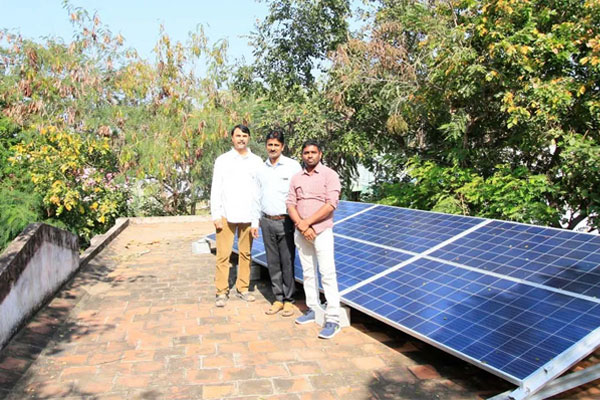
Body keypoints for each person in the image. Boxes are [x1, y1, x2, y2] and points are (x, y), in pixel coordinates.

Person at [286, 140, 342, 339]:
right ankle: (312, 309)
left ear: (320, 154)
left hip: (322, 231)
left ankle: (333, 318)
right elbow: (290, 204)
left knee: (327, 273)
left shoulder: (330, 175)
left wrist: (308, 223)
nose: (309, 155)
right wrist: (301, 225)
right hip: (301, 232)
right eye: (306, 153)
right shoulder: (296, 178)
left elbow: (331, 204)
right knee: (308, 273)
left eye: (313, 152)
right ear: (302, 155)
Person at [210, 124, 263, 307]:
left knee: (245, 254)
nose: (241, 138)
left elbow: (258, 191)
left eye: (244, 135)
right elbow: (216, 188)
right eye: (238, 135)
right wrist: (216, 214)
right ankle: (221, 291)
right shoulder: (223, 160)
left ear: (249, 138)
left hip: (248, 214)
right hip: (225, 213)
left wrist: (256, 219)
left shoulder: (257, 161)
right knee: (223, 255)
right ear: (232, 138)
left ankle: (243, 288)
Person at [253, 130, 302, 317]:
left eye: (276, 145)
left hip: (286, 221)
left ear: (282, 147)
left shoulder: (292, 166)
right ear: (266, 145)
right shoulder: (260, 168)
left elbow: (299, 193)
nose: (272, 148)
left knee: (287, 261)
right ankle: (278, 299)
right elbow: (256, 196)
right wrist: (254, 222)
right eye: (270, 144)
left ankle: (289, 300)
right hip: (266, 221)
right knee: (272, 262)